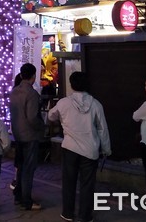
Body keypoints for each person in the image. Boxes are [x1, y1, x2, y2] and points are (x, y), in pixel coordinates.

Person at [48, 72, 111, 222]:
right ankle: (85, 215)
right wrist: (106, 149)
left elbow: (51, 116)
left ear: (71, 84)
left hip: (69, 148)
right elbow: (103, 129)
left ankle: (68, 213)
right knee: (87, 184)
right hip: (90, 150)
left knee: (69, 182)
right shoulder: (96, 104)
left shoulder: (64, 103)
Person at [9, 63, 45, 211]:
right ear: (33, 76)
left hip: (17, 133)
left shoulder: (14, 91)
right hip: (30, 135)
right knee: (28, 169)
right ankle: (26, 200)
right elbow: (32, 117)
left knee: (21, 166)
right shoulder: (32, 94)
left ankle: (18, 196)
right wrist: (41, 127)